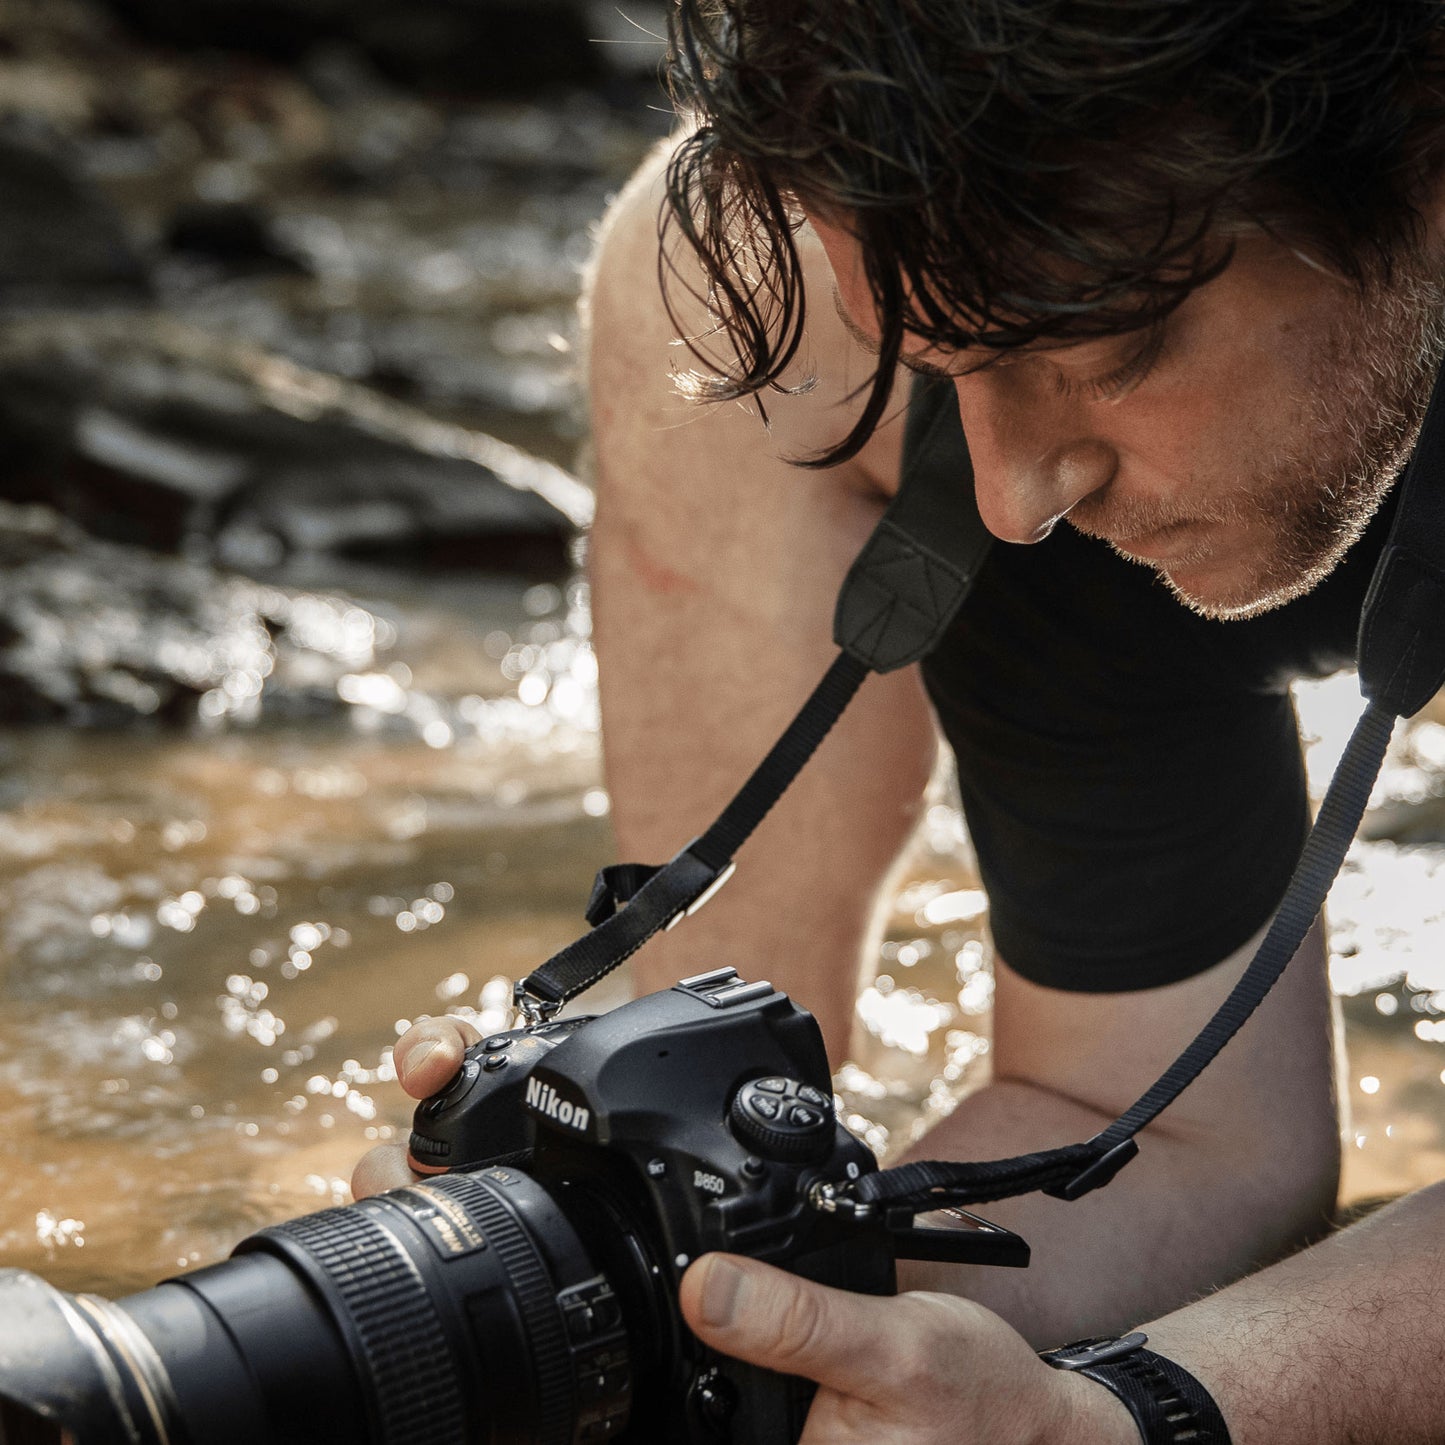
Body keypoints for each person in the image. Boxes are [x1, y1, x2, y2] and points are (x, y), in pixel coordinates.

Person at [354, 3, 1445, 1439]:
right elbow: (1183, 1138)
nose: (1010, 500)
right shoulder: (979, 400)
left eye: (1098, 351)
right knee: (715, 275)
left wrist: (1129, 1418)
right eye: (943, 365)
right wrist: (679, 1295)